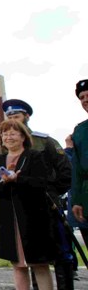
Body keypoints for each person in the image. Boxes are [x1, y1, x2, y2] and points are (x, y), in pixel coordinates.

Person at [2, 99, 73, 289]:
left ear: (26, 116)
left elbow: (65, 171)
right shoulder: (7, 145)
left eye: (16, 115)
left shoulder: (44, 141)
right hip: (24, 207)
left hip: (49, 204)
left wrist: (51, 193)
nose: (12, 119)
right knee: (32, 254)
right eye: (9, 116)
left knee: (61, 251)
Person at [0, 118, 55, 290]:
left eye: (13, 133)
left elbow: (41, 182)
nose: (8, 137)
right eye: (5, 134)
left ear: (23, 137)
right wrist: (3, 181)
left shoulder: (34, 156)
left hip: (33, 219)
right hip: (10, 219)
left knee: (39, 264)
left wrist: (18, 179)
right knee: (18, 265)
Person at [71, 79, 88, 230]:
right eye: (82, 97)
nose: (85, 100)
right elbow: (77, 169)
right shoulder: (80, 131)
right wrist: (76, 200)